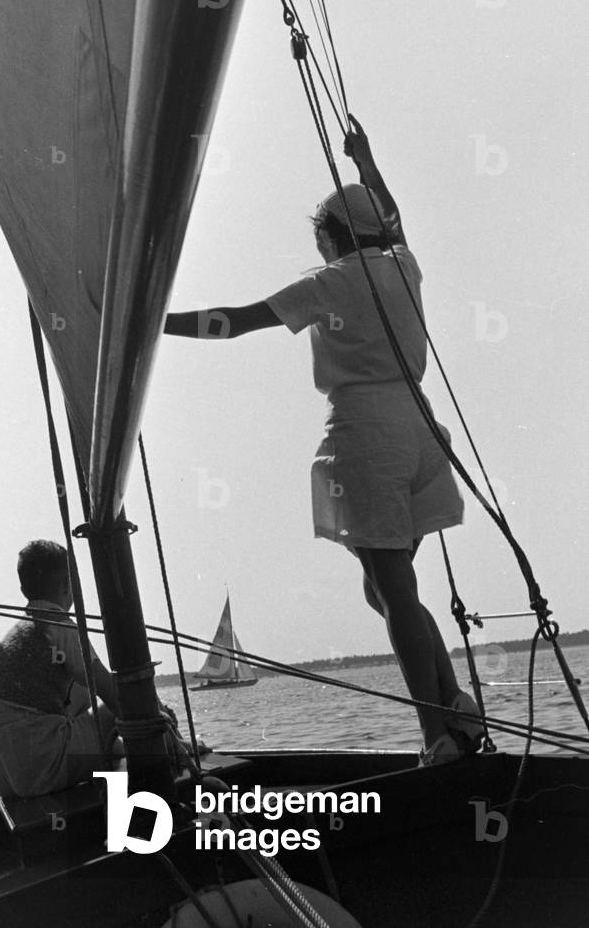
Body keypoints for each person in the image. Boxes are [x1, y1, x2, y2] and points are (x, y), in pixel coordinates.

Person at [164, 115, 482, 765]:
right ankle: (456, 706)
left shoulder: (330, 281)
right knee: (388, 588)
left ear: (334, 237)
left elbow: (236, 322)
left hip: (368, 436)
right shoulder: (403, 263)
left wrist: (151, 322)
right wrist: (365, 161)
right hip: (422, 430)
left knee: (391, 590)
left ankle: (436, 739)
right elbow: (392, 219)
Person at [0, 539, 122, 797]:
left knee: (80, 691)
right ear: (68, 584)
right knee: (124, 700)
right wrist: (161, 717)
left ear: (23, 588)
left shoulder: (18, 631)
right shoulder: (59, 625)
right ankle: (176, 750)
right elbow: (114, 695)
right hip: (38, 768)